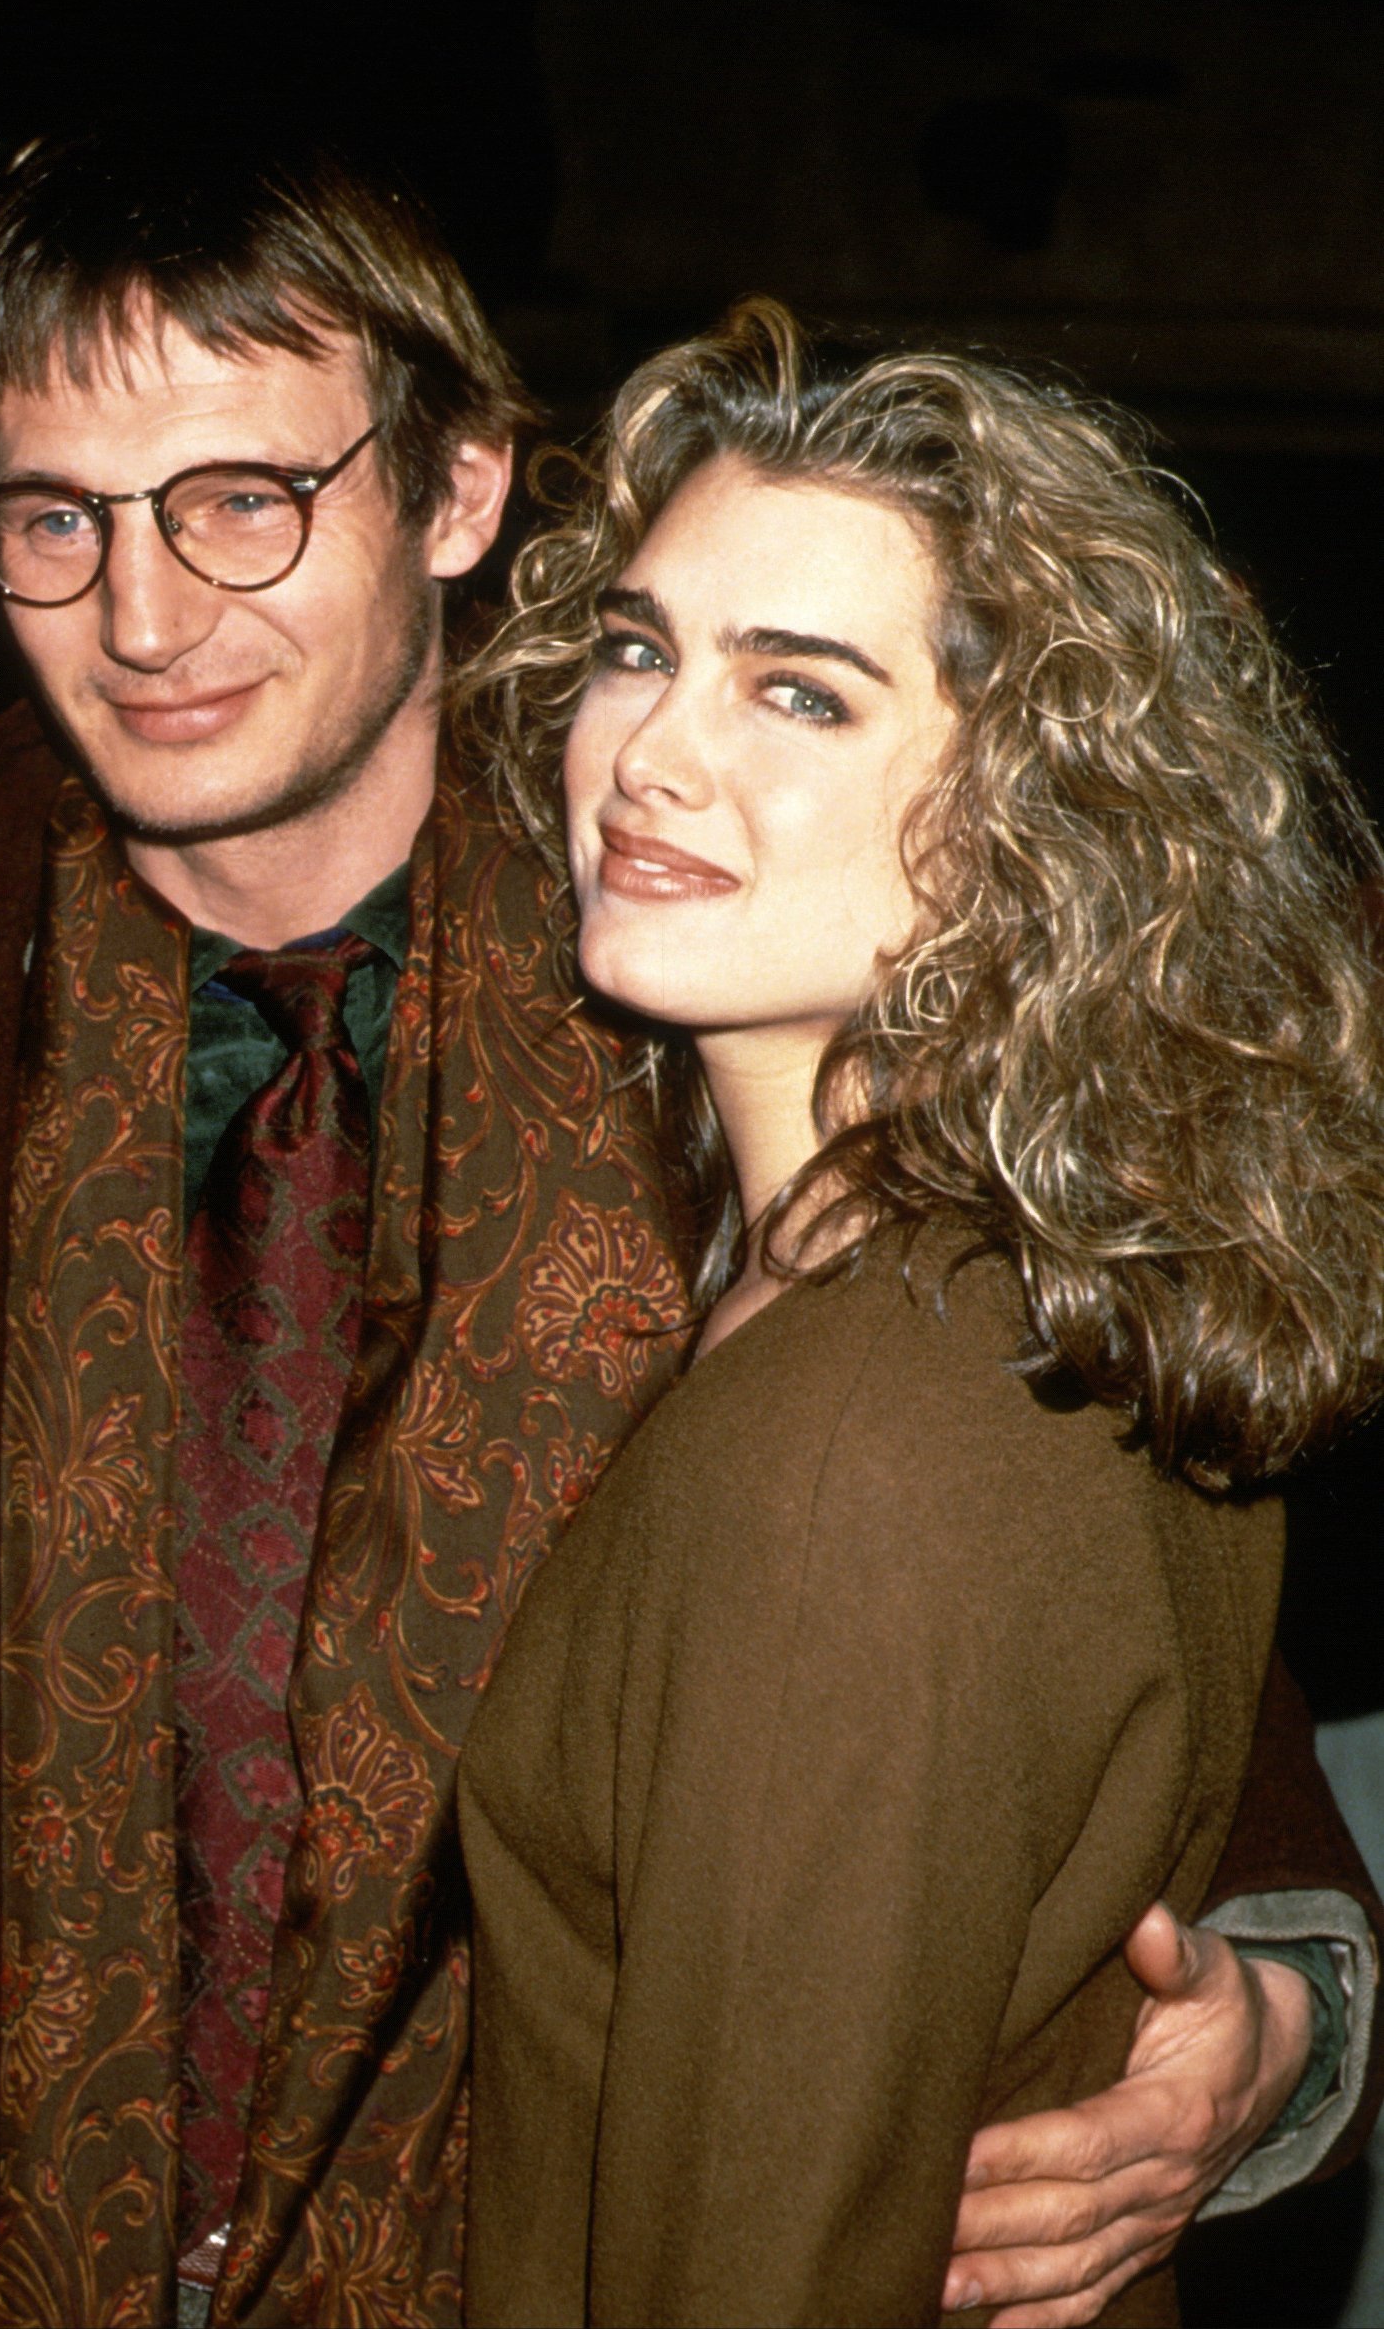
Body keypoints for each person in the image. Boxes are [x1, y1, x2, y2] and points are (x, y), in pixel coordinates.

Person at [0, 142, 1374, 2329]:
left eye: (244, 498)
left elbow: (1118, 1623)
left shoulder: (742, 989)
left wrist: (1280, 2018)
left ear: (455, 498)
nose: (146, 617)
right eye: (56, 517)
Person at [455, 301, 1384, 2327]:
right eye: (637, 647)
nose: (653, 747)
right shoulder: (1018, 1278)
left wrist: (1298, 2015)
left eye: (798, 694)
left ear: (1013, 820)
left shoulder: (849, 1455)